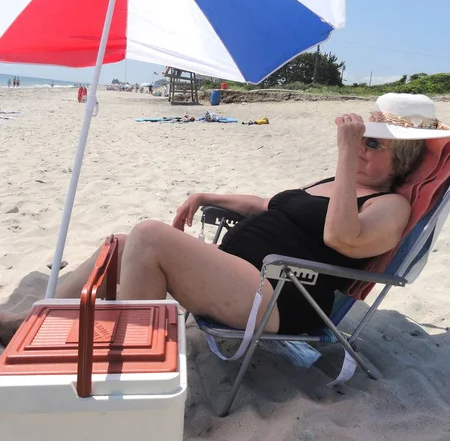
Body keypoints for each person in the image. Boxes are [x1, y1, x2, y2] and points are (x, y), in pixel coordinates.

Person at [1, 94, 449, 345]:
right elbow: (268, 204)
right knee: (118, 243)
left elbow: (341, 237)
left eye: (374, 143)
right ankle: (28, 325)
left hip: (279, 297)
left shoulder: (391, 205)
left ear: (401, 157)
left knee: (149, 236)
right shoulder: (339, 183)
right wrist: (207, 195)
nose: (362, 148)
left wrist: (346, 153)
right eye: (363, 140)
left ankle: (131, 354)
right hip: (243, 278)